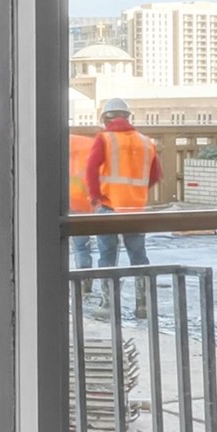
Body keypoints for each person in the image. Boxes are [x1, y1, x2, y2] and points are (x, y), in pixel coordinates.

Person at [83, 99, 160, 315]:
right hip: (135, 209)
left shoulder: (104, 139)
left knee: (107, 257)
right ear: (128, 117)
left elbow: (90, 171)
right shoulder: (146, 142)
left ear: (106, 119)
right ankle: (143, 304)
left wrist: (96, 196)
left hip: (108, 206)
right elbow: (155, 175)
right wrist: (136, 193)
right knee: (138, 257)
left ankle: (109, 304)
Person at [68, 131, 96, 276]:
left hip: (67, 201)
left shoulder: (60, 147)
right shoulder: (90, 146)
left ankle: (83, 283)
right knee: (83, 247)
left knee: (79, 246)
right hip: (86, 203)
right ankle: (85, 279)